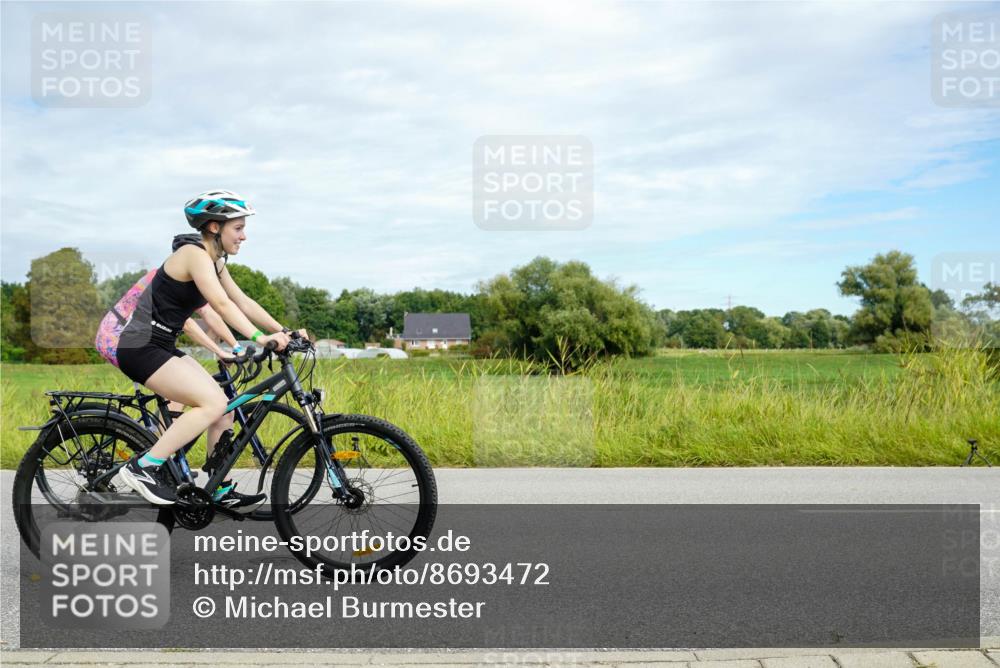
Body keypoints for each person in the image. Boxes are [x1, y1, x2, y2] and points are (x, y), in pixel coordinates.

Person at [96, 190, 304, 509]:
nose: (244, 236)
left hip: (161, 345)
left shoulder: (216, 262)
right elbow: (219, 304)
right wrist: (259, 338)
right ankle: (142, 468)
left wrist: (282, 331)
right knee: (211, 403)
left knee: (226, 406)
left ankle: (216, 486)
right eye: (238, 227)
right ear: (213, 227)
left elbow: (242, 301)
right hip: (140, 346)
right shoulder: (193, 255)